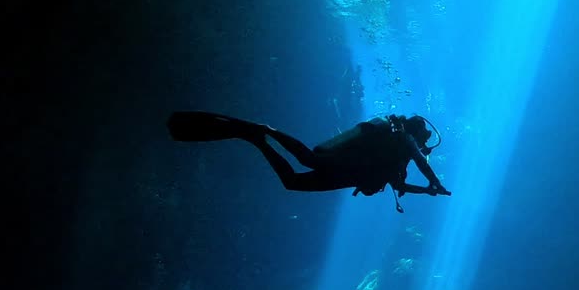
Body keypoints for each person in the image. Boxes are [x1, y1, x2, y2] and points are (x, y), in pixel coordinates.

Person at [167, 110, 450, 212]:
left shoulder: (400, 152)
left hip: (350, 175)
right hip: (350, 167)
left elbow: (397, 183)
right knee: (308, 159)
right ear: (416, 133)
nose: (424, 146)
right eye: (424, 140)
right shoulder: (405, 140)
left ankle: (256, 138)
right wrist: (434, 182)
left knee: (292, 181)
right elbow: (421, 162)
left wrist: (427, 190)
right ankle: (266, 132)